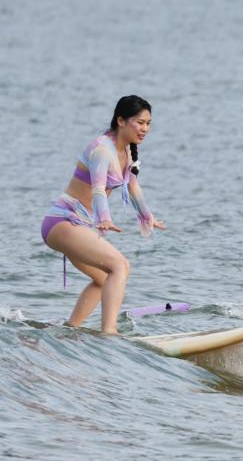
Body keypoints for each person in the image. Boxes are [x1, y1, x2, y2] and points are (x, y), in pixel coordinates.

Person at [41, 95, 165, 334]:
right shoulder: (101, 149)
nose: (145, 129)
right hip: (63, 221)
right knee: (120, 265)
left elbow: (133, 186)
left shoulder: (129, 152)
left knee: (102, 279)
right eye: (140, 122)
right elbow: (98, 187)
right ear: (121, 120)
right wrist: (104, 219)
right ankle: (109, 333)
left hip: (77, 225)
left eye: (148, 123)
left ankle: (69, 332)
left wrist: (146, 216)